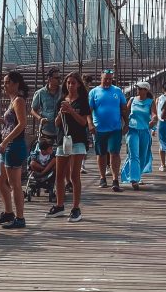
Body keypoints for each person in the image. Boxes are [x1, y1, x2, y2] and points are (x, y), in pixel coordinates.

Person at [0, 70, 29, 228]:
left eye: (7, 82)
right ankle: (8, 212)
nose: (3, 85)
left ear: (15, 84)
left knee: (15, 184)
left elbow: (22, 124)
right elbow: (10, 123)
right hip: (8, 145)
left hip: (14, 145)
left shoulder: (18, 100)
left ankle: (20, 218)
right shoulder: (12, 100)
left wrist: (5, 141)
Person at [49, 72, 91, 222]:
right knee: (59, 175)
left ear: (79, 84)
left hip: (78, 140)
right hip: (63, 140)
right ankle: (60, 205)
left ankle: (75, 208)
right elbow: (56, 123)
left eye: (73, 83)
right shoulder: (61, 100)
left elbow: (83, 122)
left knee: (74, 175)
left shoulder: (83, 101)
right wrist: (61, 113)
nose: (70, 85)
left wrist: (71, 111)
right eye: (68, 83)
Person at [88, 68, 128, 192]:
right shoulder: (94, 92)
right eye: (106, 79)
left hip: (115, 128)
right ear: (101, 78)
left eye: (110, 79)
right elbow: (88, 111)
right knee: (101, 153)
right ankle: (102, 177)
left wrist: (126, 124)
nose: (108, 81)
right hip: (99, 128)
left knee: (115, 153)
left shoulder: (117, 91)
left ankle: (115, 180)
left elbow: (124, 109)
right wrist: (90, 124)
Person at [121, 82, 157, 189]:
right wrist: (125, 124)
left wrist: (154, 120)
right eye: (137, 88)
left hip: (145, 130)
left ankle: (136, 175)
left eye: (140, 88)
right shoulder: (132, 100)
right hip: (133, 130)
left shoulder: (151, 102)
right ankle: (135, 179)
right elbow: (125, 113)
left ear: (146, 90)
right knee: (134, 155)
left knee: (143, 156)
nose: (138, 90)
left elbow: (154, 114)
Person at [31, 68, 63, 148]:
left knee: (61, 155)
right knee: (46, 154)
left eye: (60, 77)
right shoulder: (41, 93)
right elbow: (33, 110)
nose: (59, 80)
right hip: (46, 130)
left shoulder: (63, 92)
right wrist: (40, 118)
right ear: (49, 78)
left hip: (61, 129)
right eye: (57, 78)